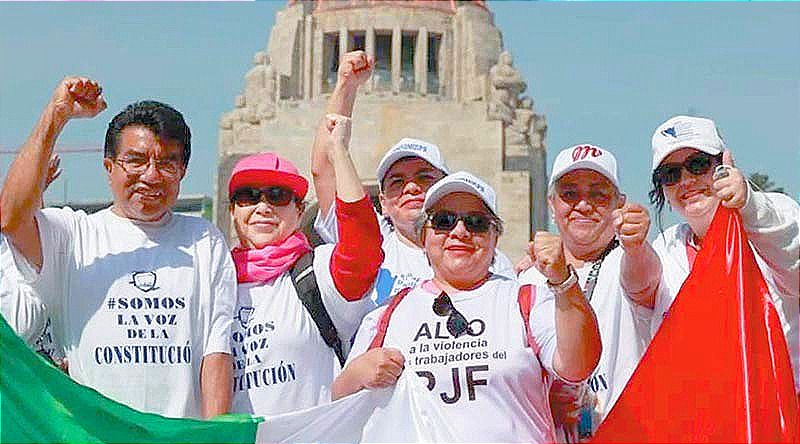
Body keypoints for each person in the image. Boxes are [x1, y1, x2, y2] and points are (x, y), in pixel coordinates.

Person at [0, 77, 236, 419]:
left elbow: (215, 352)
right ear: (109, 166)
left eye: (167, 162)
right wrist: (56, 116)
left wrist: (219, 437)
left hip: (178, 436)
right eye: (136, 161)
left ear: (182, 171)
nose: (151, 176)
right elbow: (11, 216)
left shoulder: (204, 240)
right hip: (94, 433)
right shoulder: (72, 236)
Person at [331, 171, 602, 443]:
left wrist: (563, 281)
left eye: (476, 223)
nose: (459, 232)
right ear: (424, 237)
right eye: (444, 221)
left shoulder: (526, 301)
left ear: (495, 237)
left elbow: (578, 365)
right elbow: (339, 405)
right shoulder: (390, 314)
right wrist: (357, 374)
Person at [311, 50, 514, 305]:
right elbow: (325, 169)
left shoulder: (483, 255)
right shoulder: (372, 245)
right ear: (383, 202)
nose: (411, 188)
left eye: (424, 178)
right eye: (397, 182)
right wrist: (346, 86)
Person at [228, 114, 383, 415]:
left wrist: (339, 153)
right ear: (233, 210)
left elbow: (362, 249)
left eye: (278, 196)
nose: (263, 207)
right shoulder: (214, 280)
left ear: (299, 212)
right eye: (248, 196)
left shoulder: (315, 273)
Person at [648, 115, 799, 397]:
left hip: (778, 409)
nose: (687, 181)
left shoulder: (773, 217)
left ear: (725, 162)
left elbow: (794, 260)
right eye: (671, 174)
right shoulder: (664, 248)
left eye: (698, 165)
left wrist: (748, 203)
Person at [517, 144, 659, 441]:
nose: (583, 205)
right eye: (570, 194)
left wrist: (635, 244)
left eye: (598, 194)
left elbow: (644, 281)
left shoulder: (629, 258)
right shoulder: (527, 279)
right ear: (552, 204)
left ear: (619, 204)